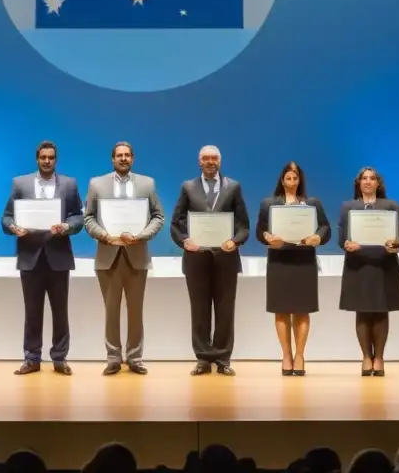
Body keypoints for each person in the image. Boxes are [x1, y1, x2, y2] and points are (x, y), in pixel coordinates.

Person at [2, 141, 84, 376]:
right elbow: (7, 218)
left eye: (51, 158)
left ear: (55, 160)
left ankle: (59, 358)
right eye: (43, 158)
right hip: (30, 257)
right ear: (37, 159)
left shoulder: (68, 184)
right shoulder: (20, 183)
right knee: (32, 311)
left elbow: (78, 216)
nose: (47, 161)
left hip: (58, 256)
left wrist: (67, 226)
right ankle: (32, 358)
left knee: (60, 311)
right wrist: (14, 228)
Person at [83, 141, 165, 375]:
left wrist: (141, 236)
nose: (123, 158)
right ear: (112, 159)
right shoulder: (97, 184)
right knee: (111, 311)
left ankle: (135, 357)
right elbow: (89, 218)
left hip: (136, 255)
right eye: (119, 155)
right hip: (108, 255)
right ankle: (113, 358)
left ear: (133, 158)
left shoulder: (147, 184)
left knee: (136, 310)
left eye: (127, 155)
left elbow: (158, 216)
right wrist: (105, 236)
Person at [170, 144, 251, 376]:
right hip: (196, 258)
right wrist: (184, 241)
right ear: (199, 162)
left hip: (226, 258)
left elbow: (243, 225)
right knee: (200, 310)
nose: (210, 162)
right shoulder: (188, 187)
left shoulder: (233, 187)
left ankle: (223, 358)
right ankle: (204, 358)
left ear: (220, 161)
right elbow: (176, 223)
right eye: (205, 158)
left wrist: (235, 241)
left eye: (214, 158)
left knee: (225, 310)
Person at [256, 161, 330, 376]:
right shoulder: (269, 203)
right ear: (282, 180)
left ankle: (300, 355)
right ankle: (286, 355)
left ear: (300, 181)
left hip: (304, 260)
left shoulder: (312, 203)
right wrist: (268, 238)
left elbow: (325, 228)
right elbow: (260, 231)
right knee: (281, 309)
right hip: (279, 260)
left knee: (302, 310)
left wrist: (318, 236)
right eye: (288, 177)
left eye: (295, 177)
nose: (291, 181)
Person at [337, 166, 399, 376]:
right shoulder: (348, 206)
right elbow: (342, 238)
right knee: (362, 312)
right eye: (364, 178)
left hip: (384, 265)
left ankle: (379, 358)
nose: (368, 181)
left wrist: (396, 244)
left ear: (378, 183)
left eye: (372, 178)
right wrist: (348, 245)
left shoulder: (391, 205)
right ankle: (366, 357)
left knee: (380, 311)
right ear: (358, 183)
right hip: (357, 265)